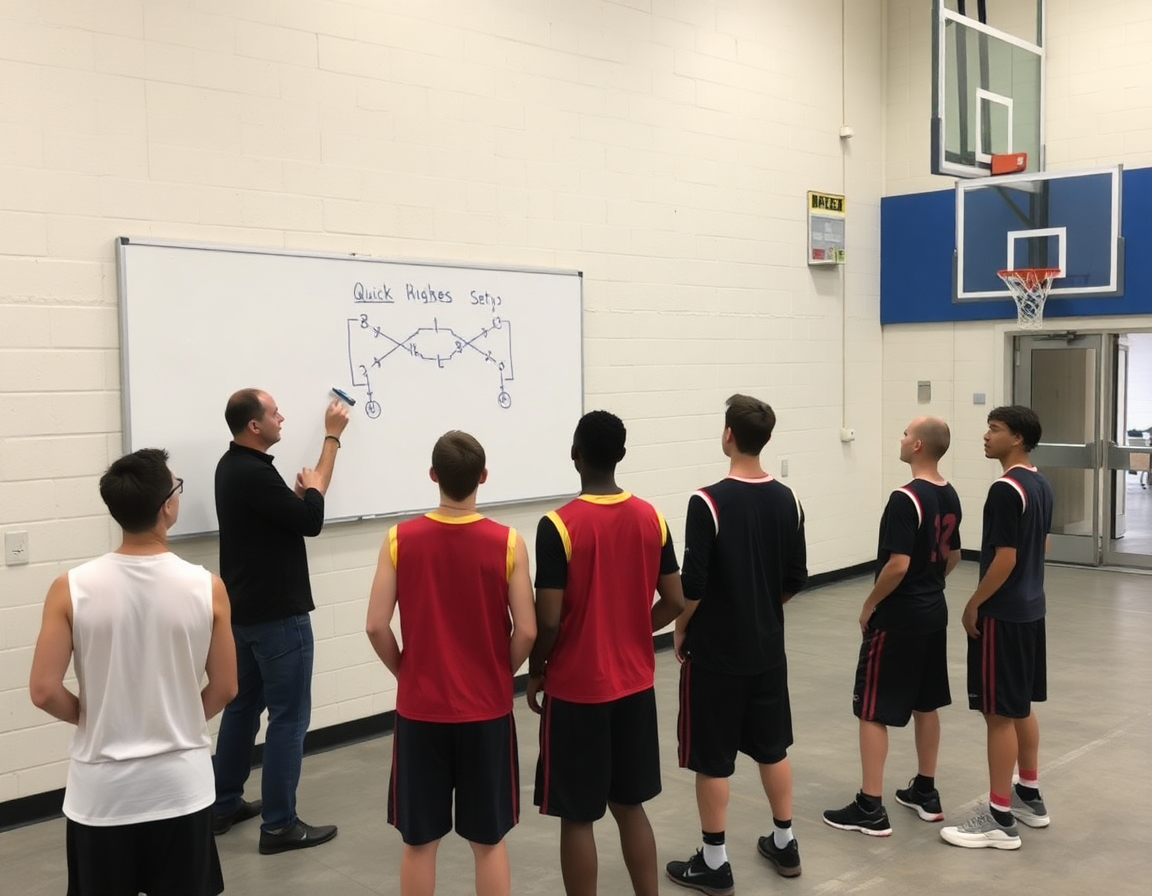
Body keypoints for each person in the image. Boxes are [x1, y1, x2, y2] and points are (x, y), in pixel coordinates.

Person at [29, 448, 237, 896]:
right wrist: (178, 716)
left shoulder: (70, 588)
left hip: (102, 796)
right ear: (167, 505)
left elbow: (44, 691)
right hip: (181, 788)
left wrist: (95, 715)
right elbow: (225, 686)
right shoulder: (208, 587)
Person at [365, 431, 537, 896]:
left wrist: (407, 671)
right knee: (489, 842)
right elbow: (527, 630)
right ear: (483, 477)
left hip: (421, 711)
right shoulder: (508, 543)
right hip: (486, 711)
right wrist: (501, 671)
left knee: (419, 843)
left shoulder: (399, 539)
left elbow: (376, 625)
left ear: (433, 476)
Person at [528, 410, 685, 896]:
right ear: (620, 456)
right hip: (634, 686)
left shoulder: (557, 526)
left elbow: (549, 619)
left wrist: (537, 670)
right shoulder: (651, 517)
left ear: (575, 454)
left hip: (577, 691)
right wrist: (639, 629)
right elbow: (677, 601)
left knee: (577, 817)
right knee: (629, 806)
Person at [666, 394, 808, 895]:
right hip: (768, 649)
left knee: (712, 757)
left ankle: (714, 860)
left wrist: (682, 625)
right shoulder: (788, 498)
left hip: (719, 654)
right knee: (773, 748)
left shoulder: (706, 501)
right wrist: (763, 610)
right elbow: (795, 577)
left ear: (728, 434)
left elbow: (696, 583)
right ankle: (785, 841)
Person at [211, 389, 349, 854]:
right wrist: (331, 438)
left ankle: (223, 803)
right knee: (289, 718)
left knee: (243, 708)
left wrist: (296, 498)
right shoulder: (253, 474)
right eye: (274, 413)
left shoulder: (230, 468)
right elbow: (311, 520)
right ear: (255, 425)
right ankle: (279, 826)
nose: (282, 418)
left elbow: (281, 519)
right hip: (278, 618)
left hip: (245, 615)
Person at [822, 416, 962, 837]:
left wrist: (869, 604)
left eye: (905, 433)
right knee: (926, 702)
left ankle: (870, 806)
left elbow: (897, 564)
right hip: (933, 610)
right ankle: (925, 789)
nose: (900, 439)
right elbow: (952, 555)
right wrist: (930, 584)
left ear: (918, 445)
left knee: (871, 708)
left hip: (899, 617)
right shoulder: (949, 492)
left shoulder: (905, 499)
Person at [941, 405, 1054, 850]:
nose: (986, 436)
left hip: (1003, 616)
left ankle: (1000, 818)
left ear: (1019, 440)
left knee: (998, 716)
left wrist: (974, 603)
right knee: (1020, 704)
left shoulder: (1006, 490)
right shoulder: (1040, 483)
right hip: (1031, 610)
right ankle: (1029, 795)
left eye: (996, 430)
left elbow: (1005, 557)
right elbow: (1040, 544)